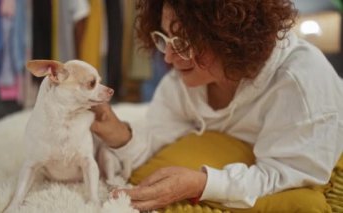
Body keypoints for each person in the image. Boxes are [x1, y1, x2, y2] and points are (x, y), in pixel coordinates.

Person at [91, 0, 343, 211]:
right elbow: (159, 138)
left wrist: (202, 184)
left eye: (183, 42)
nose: (167, 56)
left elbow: (289, 176)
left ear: (230, 37)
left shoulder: (297, 85)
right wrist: (120, 135)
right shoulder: (182, 82)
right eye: (164, 37)